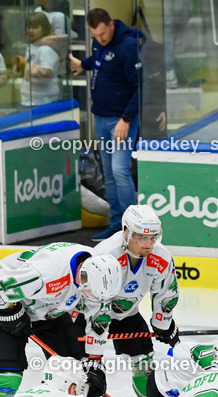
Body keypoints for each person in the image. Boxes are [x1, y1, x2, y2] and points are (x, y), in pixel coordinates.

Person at [0, 244, 121, 397]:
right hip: (9, 304)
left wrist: (94, 362)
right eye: (90, 293)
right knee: (7, 377)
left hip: (49, 312)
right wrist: (10, 313)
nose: (93, 299)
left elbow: (98, 320)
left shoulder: (100, 276)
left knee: (75, 376)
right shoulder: (45, 273)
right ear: (82, 276)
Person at [86, 205, 179, 397]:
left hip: (127, 314)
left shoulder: (161, 257)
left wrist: (163, 324)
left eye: (153, 237)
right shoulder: (105, 255)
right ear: (126, 233)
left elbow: (166, 292)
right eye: (142, 237)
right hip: (90, 314)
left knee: (146, 368)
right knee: (81, 376)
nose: (148, 244)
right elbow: (93, 306)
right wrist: (94, 356)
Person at [69, 8, 143, 241]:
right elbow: (100, 62)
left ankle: (134, 227)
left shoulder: (128, 46)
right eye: (95, 36)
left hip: (121, 119)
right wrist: (84, 64)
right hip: (100, 117)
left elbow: (140, 87)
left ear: (111, 24)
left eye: (102, 34)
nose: (100, 39)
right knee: (109, 173)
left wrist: (126, 119)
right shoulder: (99, 43)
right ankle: (116, 224)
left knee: (120, 171)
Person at [14, 13, 61, 107]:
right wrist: (20, 65)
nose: (30, 30)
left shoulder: (47, 49)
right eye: (28, 27)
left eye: (35, 27)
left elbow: (46, 75)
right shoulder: (31, 46)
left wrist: (26, 65)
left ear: (44, 28)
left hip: (44, 101)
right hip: (30, 99)